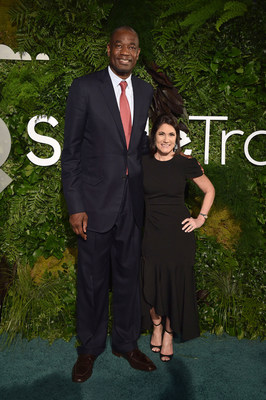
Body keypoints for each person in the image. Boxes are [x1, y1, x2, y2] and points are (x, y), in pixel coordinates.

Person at [61, 26, 156, 383]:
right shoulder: (85, 88)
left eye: (132, 46)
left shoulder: (145, 91)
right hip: (94, 206)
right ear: (108, 50)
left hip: (132, 205)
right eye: (119, 45)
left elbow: (137, 149)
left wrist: (170, 161)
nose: (125, 51)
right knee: (92, 281)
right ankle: (88, 349)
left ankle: (126, 343)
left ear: (138, 52)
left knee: (130, 280)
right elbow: (70, 155)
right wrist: (75, 205)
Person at [141, 114, 215, 362]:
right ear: (154, 136)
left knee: (175, 287)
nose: (166, 139)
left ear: (177, 139)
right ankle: (157, 325)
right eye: (161, 133)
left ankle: (169, 334)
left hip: (179, 234)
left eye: (171, 135)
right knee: (150, 283)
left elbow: (209, 189)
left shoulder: (185, 163)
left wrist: (200, 218)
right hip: (151, 233)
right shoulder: (144, 163)